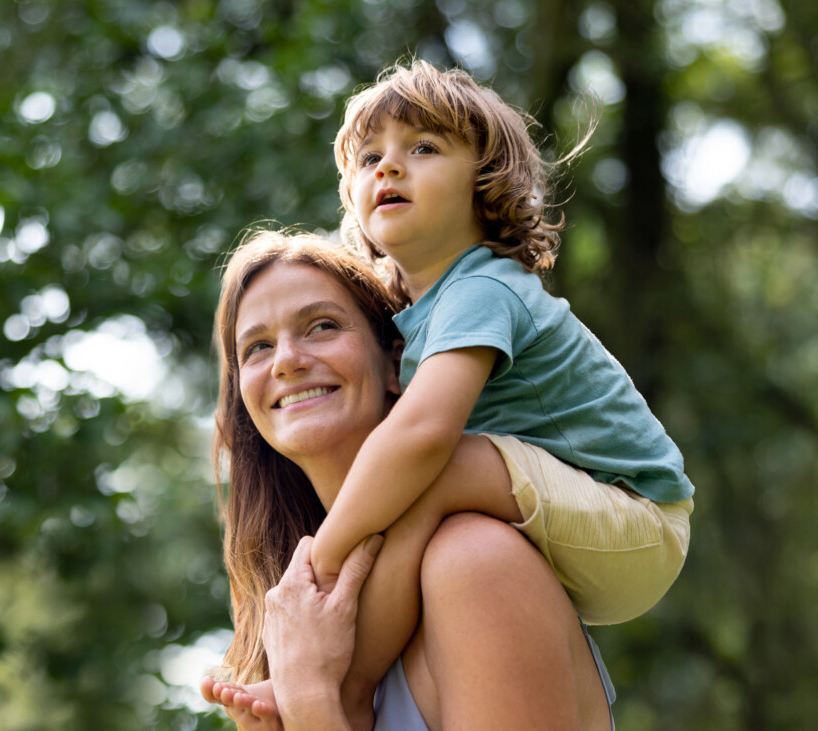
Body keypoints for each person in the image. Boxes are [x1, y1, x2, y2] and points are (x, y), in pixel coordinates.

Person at [277, 58, 691, 726]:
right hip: (574, 518)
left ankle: (347, 678)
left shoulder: (482, 288)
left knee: (438, 466)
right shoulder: (420, 311)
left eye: (423, 147)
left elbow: (422, 436)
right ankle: (350, 671)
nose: (388, 166)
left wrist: (319, 566)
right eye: (369, 157)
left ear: (485, 181)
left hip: (639, 516)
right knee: (425, 484)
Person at [202, 230, 615, 730]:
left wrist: (311, 698)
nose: (287, 360)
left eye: (321, 326)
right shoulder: (297, 635)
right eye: (258, 347)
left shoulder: (474, 561)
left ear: (397, 364)